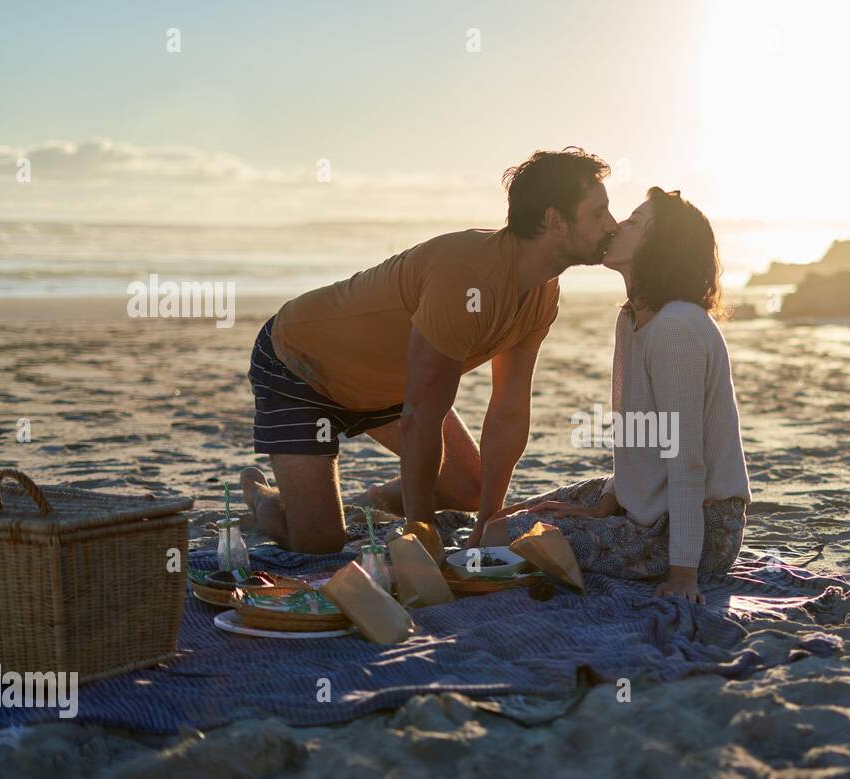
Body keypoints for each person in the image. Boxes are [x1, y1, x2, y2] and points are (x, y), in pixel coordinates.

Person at [239, 148, 616, 553]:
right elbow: (420, 418)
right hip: (301, 366)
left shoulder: (544, 288)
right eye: (598, 213)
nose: (612, 224)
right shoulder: (467, 277)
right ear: (554, 220)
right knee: (319, 545)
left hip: (393, 385)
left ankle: (381, 499)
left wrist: (488, 522)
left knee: (472, 490)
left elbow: (508, 410)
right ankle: (264, 502)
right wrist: (422, 533)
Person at [481, 187, 752, 603]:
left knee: (498, 538)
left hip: (701, 528)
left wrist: (683, 574)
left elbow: (687, 461)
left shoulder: (676, 328)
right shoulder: (632, 318)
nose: (617, 226)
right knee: (499, 523)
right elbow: (638, 436)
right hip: (646, 502)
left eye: (634, 223)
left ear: (660, 248)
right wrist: (607, 503)